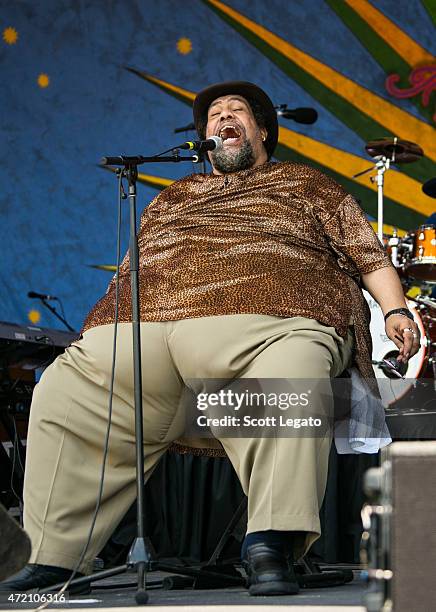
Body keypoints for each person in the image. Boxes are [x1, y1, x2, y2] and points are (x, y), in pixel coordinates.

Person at [0, 81, 420, 596]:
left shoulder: (308, 184)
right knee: (65, 389)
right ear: (203, 138)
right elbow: (135, 267)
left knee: (291, 371)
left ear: (262, 130)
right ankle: (54, 557)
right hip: (146, 329)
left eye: (236, 111)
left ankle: (270, 542)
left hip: (270, 319)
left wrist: (396, 310)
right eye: (214, 114)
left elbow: (367, 254)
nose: (223, 117)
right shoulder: (173, 197)